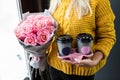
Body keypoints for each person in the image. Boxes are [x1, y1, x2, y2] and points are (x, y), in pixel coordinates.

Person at [46, 0, 116, 80]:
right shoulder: (55, 1)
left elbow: (107, 36)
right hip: (55, 67)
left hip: (82, 71)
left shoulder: (99, 1)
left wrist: (95, 60)